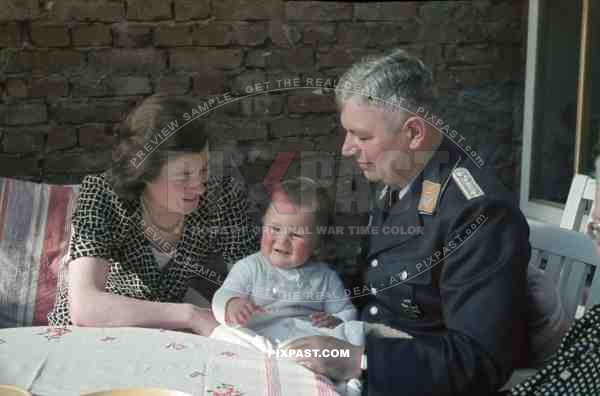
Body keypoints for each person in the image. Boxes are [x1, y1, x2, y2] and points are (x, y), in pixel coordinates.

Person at [284, 49, 532, 396]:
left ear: (413, 133)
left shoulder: (478, 212)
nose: (346, 149)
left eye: (362, 136)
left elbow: (479, 361)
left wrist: (355, 359)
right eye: (348, 133)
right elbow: (377, 286)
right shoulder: (401, 176)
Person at [47, 95, 259, 336]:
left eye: (204, 169)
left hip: (166, 338)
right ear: (146, 172)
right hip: (86, 337)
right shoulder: (101, 195)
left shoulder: (219, 197)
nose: (199, 186)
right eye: (183, 176)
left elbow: (254, 276)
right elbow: (85, 308)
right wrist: (190, 314)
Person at [210, 178, 364, 395]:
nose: (282, 242)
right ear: (263, 225)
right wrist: (232, 305)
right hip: (258, 339)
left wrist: (336, 320)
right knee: (223, 333)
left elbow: (346, 312)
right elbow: (223, 294)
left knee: (353, 333)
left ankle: (333, 386)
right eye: (274, 229)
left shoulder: (324, 277)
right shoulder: (250, 267)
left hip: (306, 345)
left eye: (296, 235)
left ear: (316, 242)